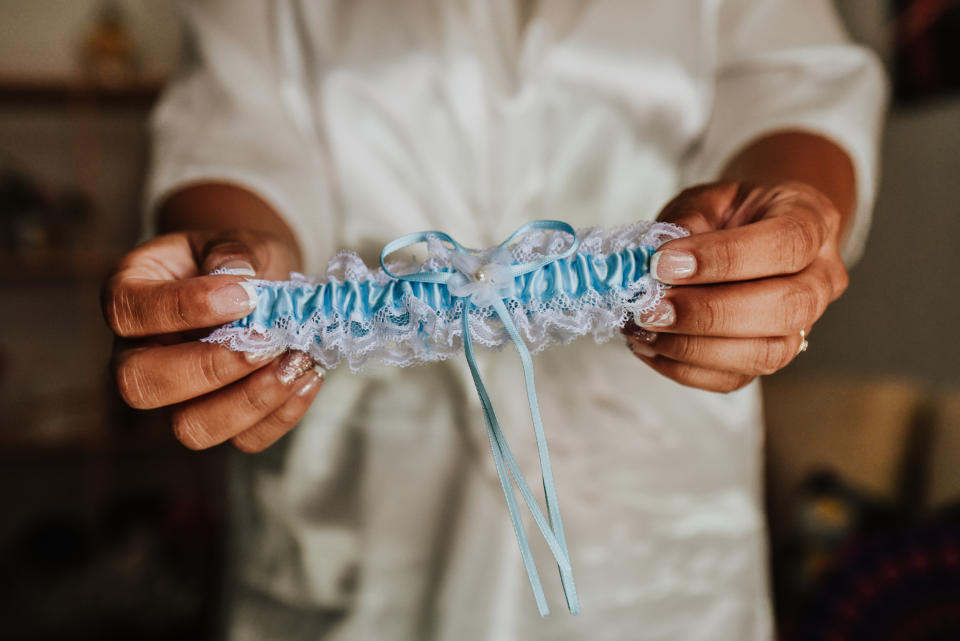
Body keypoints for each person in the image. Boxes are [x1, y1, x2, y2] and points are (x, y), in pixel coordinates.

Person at [101, 1, 886, 639]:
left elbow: (796, 88)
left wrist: (787, 226)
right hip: (352, 527)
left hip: (655, 542)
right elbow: (235, 142)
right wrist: (232, 276)